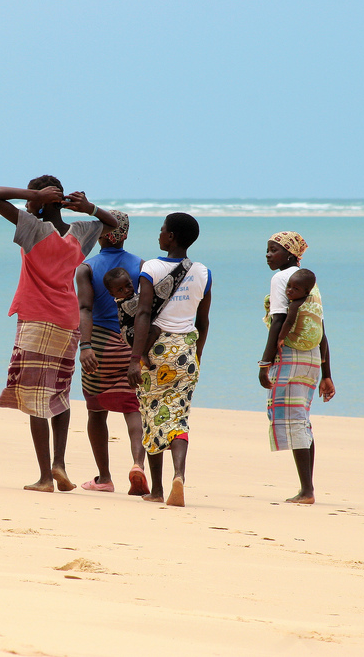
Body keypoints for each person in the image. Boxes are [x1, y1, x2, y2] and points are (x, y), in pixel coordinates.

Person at [0, 176, 117, 492]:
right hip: (67, 322)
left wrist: (34, 196)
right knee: (59, 394)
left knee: (34, 399)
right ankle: (60, 462)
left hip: (36, 321)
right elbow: (112, 223)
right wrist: (88, 207)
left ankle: (45, 477)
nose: (27, 204)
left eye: (32, 199)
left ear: (41, 201)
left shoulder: (32, 227)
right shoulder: (80, 233)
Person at [126, 213, 211, 507]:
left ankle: (159, 489)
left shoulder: (151, 267)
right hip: (186, 350)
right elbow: (203, 320)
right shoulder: (202, 272)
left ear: (171, 236)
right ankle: (180, 476)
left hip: (156, 352)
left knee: (152, 415)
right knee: (178, 416)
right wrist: (196, 354)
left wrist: (135, 358)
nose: (159, 234)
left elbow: (143, 314)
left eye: (162, 230)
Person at [75, 211, 149, 495]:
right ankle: (137, 463)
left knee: (96, 412)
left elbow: (85, 309)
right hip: (132, 346)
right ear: (125, 235)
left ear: (99, 233)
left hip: (99, 345)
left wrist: (85, 346)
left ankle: (104, 477)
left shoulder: (87, 268)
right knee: (133, 408)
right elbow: (145, 311)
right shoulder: (141, 265)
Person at [258, 232, 335, 505]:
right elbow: (321, 329)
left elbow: (279, 321)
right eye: (267, 250)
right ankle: (307, 488)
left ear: (291, 254)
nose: (268, 255)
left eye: (274, 250)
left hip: (290, 355)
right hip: (312, 357)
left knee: (294, 420)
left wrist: (264, 363)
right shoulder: (309, 283)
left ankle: (307, 491)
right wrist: (327, 374)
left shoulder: (281, 279)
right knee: (302, 419)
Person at [107, 266, 161, 355]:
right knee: (155, 330)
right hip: (132, 337)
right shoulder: (127, 303)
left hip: (129, 335)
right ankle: (142, 353)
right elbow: (152, 301)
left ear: (132, 282)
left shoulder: (125, 299)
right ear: (112, 294)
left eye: (128, 285)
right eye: (120, 290)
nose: (126, 290)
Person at [276, 268, 317, 350]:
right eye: (288, 286)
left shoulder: (294, 305)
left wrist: (281, 338)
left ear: (306, 293)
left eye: (296, 289)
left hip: (301, 343)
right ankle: (323, 357)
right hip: (315, 342)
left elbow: (289, 322)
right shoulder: (312, 303)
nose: (289, 290)